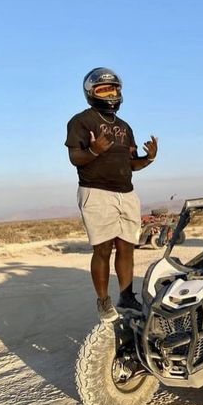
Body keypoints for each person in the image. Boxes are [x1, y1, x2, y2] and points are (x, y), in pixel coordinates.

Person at [65, 67, 158, 322]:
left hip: (126, 193)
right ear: (91, 92)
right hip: (96, 192)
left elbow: (131, 164)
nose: (110, 93)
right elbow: (75, 158)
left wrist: (148, 158)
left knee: (127, 247)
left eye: (113, 88)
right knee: (103, 248)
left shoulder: (125, 127)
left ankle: (127, 296)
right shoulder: (81, 121)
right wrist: (94, 150)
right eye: (104, 89)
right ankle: (104, 301)